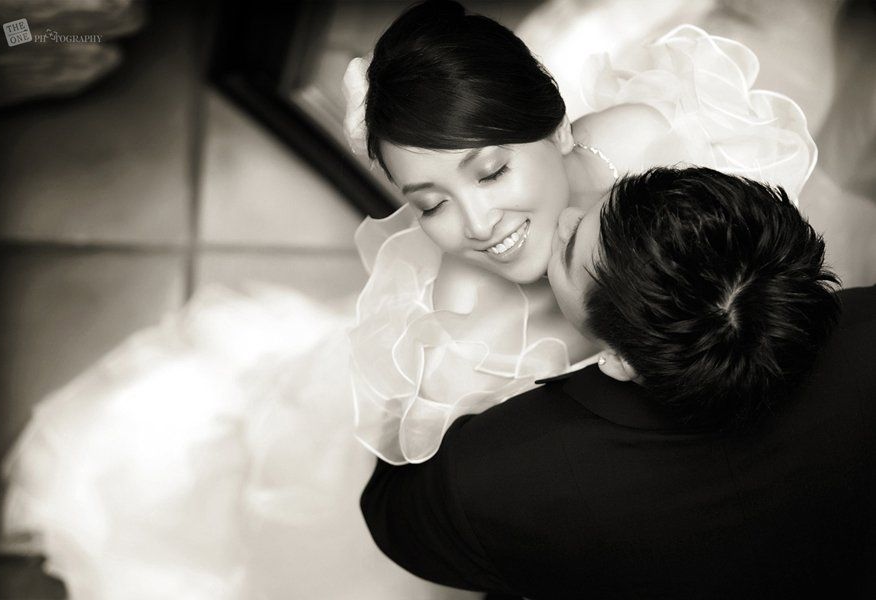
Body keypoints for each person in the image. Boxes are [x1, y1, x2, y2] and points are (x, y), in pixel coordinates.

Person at [0, 1, 819, 598]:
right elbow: (449, 481)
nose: (477, 225)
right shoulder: (459, 324)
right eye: (429, 203)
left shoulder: (643, 137)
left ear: (561, 129)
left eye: (492, 171)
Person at [361, 166, 875, 598]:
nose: (563, 217)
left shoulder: (499, 475)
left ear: (620, 361)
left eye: (567, 249)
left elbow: (394, 512)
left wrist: (440, 356)